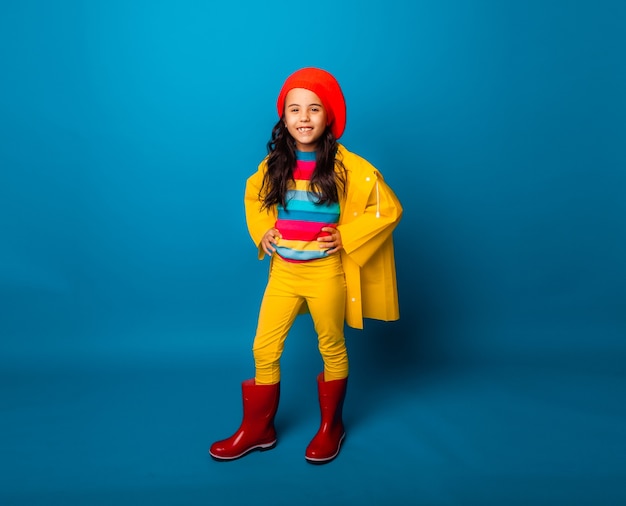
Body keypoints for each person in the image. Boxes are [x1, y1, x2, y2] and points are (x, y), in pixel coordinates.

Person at [209, 67, 402, 464]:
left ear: (329, 117)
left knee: (330, 345)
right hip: (283, 273)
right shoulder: (273, 166)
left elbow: (389, 209)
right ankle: (259, 429)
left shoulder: (349, 169)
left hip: (325, 274)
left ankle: (332, 427)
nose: (304, 118)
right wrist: (262, 230)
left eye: (314, 109)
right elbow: (253, 199)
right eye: (294, 109)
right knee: (264, 347)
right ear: (284, 117)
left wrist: (346, 237)